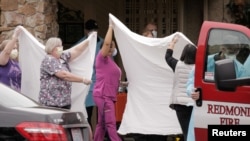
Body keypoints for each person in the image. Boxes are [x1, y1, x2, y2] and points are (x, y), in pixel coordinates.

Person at [39, 37, 92, 110]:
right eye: (59, 46)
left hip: (64, 102)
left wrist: (88, 40)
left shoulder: (62, 57)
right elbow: (64, 75)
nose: (61, 47)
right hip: (51, 103)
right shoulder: (49, 60)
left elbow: (76, 51)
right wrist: (83, 79)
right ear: (52, 48)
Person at [93, 21, 122, 141]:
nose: (111, 47)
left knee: (102, 124)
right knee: (110, 123)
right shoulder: (101, 57)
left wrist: (123, 84)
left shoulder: (110, 60)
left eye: (113, 46)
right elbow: (106, 43)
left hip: (108, 95)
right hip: (104, 95)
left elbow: (111, 77)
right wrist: (110, 27)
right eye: (110, 45)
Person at [165, 35, 197, 141]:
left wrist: (172, 44)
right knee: (193, 132)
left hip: (180, 105)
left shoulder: (177, 65)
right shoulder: (199, 68)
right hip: (194, 104)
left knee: (186, 131)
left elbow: (167, 57)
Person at [76, 19, 104, 130]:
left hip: (101, 83)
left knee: (103, 115)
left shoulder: (103, 43)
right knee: (88, 114)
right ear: (86, 30)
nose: (93, 32)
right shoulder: (81, 44)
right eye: (91, 30)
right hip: (88, 85)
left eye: (95, 29)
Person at [0, 26, 22, 92]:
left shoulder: (16, 63)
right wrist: (15, 37)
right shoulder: (2, 60)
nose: (15, 50)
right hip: (4, 95)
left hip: (16, 94)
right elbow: (7, 52)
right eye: (13, 48)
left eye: (16, 48)